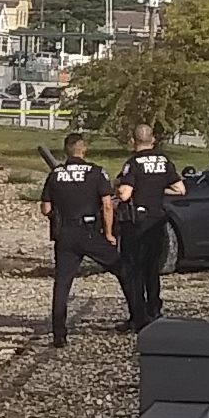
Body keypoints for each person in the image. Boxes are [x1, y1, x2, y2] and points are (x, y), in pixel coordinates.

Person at [40, 130, 120, 347]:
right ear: (83, 150)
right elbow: (106, 205)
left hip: (65, 234)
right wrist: (110, 233)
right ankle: (138, 317)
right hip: (90, 231)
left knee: (63, 283)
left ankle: (59, 334)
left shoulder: (56, 174)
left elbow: (45, 208)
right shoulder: (96, 172)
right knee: (122, 268)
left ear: (66, 151)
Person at [113, 123, 187, 327]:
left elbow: (125, 193)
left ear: (132, 140)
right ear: (153, 140)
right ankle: (154, 310)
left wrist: (118, 188)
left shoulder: (133, 163)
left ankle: (138, 315)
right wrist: (159, 191)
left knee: (134, 268)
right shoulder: (164, 161)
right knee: (152, 269)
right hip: (158, 221)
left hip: (136, 223)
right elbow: (180, 189)